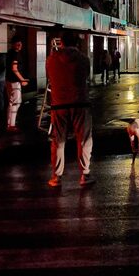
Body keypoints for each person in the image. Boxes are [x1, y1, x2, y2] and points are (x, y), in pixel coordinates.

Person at [46, 32, 93, 187]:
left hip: (59, 105)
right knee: (83, 139)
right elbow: (86, 76)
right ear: (77, 44)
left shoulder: (51, 59)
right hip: (80, 103)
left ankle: (56, 176)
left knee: (58, 141)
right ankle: (84, 175)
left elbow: (50, 78)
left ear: (62, 43)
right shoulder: (83, 59)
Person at [6, 37, 30, 132]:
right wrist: (22, 80)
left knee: (11, 102)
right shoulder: (15, 55)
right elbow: (14, 69)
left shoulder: (9, 53)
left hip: (8, 81)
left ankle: (9, 124)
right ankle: (11, 125)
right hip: (14, 82)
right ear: (13, 44)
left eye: (20, 44)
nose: (19, 46)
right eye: (17, 44)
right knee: (16, 102)